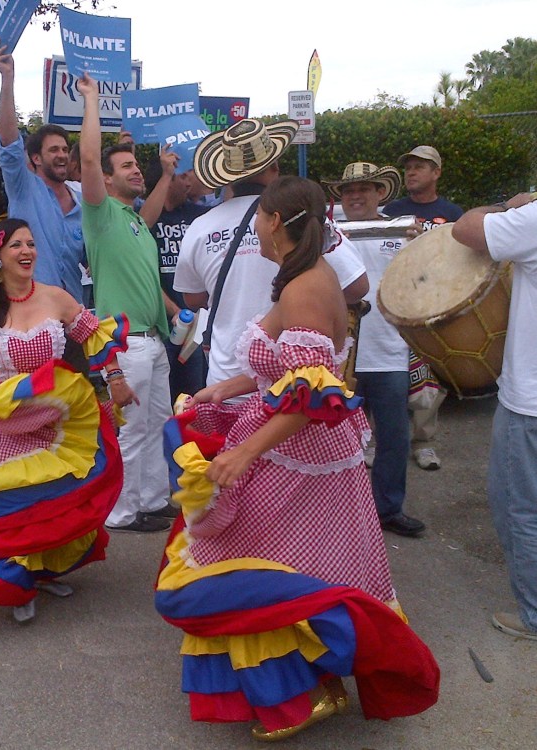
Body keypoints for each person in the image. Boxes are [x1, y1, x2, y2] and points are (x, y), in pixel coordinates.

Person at [156, 176, 439, 740]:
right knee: (289, 564)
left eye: (260, 216)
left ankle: (310, 682)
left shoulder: (307, 287)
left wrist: (244, 455)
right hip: (299, 449)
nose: (254, 225)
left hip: (300, 453)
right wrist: (225, 389)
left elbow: (313, 397)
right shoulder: (301, 281)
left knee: (261, 564)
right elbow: (288, 377)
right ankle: (306, 679)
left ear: (278, 223)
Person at [0, 218, 133, 623]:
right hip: (5, 425)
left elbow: (94, 336)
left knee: (52, 498)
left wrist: (116, 380)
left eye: (30, 244)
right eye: (16, 246)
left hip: (55, 422)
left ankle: (39, 569)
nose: (27, 252)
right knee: (3, 500)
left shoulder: (56, 297)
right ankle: (12, 578)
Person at [174, 119, 369, 414]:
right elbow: (356, 286)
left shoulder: (200, 228)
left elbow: (194, 299)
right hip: (290, 393)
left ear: (226, 177)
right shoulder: (306, 221)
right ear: (275, 168)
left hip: (225, 382)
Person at [77, 73, 176, 534]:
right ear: (106, 180)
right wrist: (94, 99)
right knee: (133, 431)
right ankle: (120, 513)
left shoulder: (132, 220)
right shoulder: (99, 213)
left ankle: (152, 500)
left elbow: (151, 212)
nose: (138, 170)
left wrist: (169, 175)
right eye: (128, 167)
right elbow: (90, 157)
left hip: (152, 342)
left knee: (156, 424)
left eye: (139, 165)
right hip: (125, 344)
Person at [452, 189, 537, 640]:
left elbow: (466, 230)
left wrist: (507, 207)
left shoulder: (533, 220)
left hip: (530, 401)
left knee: (520, 507)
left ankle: (534, 615)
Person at [325, 162, 426, 538]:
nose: (355, 195)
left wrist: (420, 244)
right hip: (341, 353)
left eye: (364, 189)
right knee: (336, 438)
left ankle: (387, 508)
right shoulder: (325, 234)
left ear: (380, 192)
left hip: (389, 351)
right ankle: (340, 513)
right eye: (348, 190)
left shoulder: (402, 232)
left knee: (395, 438)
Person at [385, 145, 463, 472]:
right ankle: (384, 440)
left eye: (420, 167)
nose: (412, 172)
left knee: (429, 375)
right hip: (398, 301)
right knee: (390, 373)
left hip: (435, 304)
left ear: (437, 173)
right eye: (409, 167)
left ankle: (424, 443)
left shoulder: (455, 213)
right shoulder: (391, 210)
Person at [0, 40, 85, 302]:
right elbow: (10, 143)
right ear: (35, 158)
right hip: (30, 315)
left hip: (73, 316)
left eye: (65, 150)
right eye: (54, 150)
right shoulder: (24, 187)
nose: (62, 155)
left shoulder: (79, 202)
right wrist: (7, 78)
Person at [144, 156, 209, 399]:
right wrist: (173, 312)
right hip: (160, 327)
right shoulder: (146, 218)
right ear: (167, 181)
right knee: (162, 398)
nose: (188, 182)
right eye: (182, 177)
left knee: (194, 396)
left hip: (194, 329)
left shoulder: (199, 215)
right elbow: (144, 275)